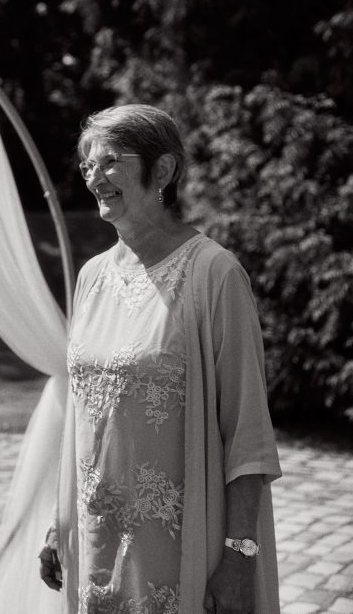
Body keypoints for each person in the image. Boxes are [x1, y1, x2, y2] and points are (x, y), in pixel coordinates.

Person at [39, 104, 281, 614]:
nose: (93, 177)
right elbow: (80, 417)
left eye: (109, 162)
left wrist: (240, 557)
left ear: (164, 170)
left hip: (178, 555)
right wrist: (58, 524)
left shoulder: (215, 275)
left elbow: (248, 433)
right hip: (96, 543)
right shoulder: (91, 278)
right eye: (86, 165)